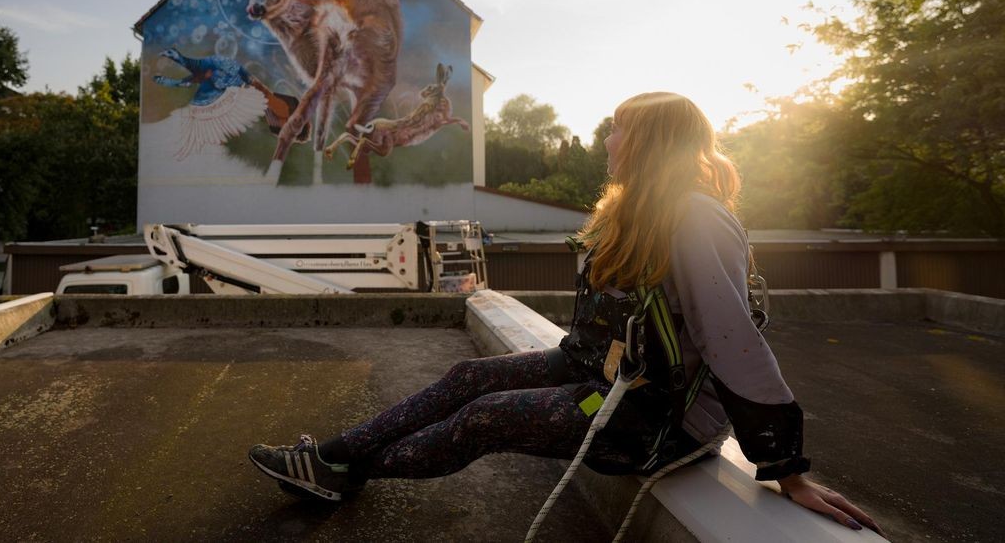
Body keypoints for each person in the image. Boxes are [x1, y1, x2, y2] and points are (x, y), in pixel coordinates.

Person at [248, 92, 882, 534]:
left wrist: (786, 468)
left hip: (657, 416)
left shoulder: (695, 217)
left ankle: (335, 470)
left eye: (619, 128)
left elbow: (734, 342)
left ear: (652, 142)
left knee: (485, 417)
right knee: (470, 379)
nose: (607, 140)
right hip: (596, 375)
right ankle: (332, 459)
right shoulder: (632, 213)